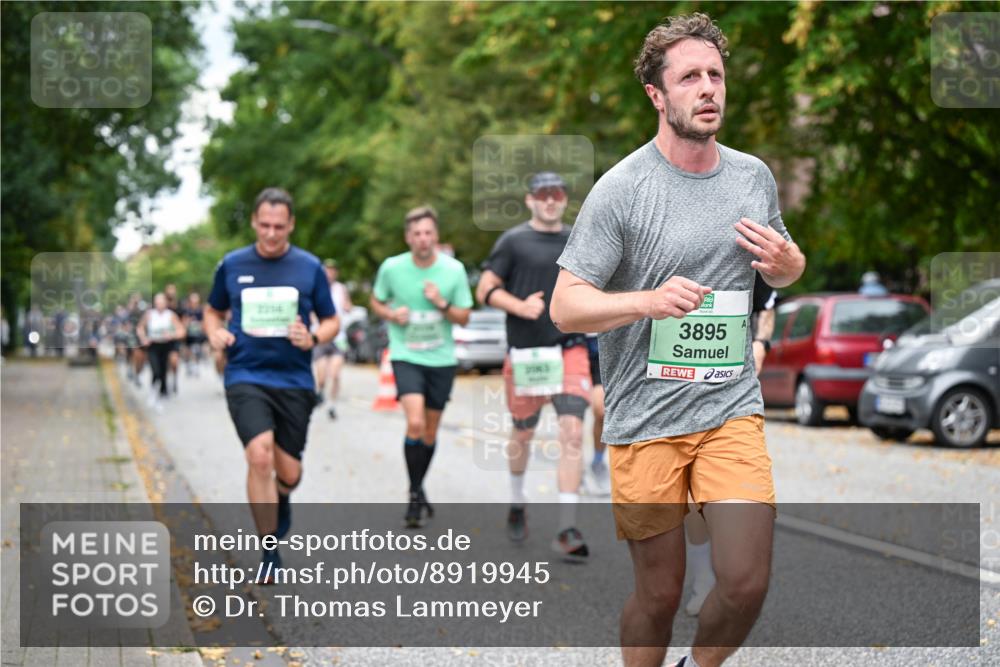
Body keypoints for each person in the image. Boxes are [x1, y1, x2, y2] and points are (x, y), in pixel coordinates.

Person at [550, 14, 806, 667]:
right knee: (660, 595)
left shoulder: (752, 178)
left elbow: (783, 265)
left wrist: (789, 265)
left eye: (715, 74)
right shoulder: (622, 190)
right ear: (657, 95)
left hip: (729, 407)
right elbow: (565, 306)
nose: (708, 87)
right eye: (689, 77)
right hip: (646, 419)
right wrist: (648, 300)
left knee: (745, 579)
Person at [204, 187, 339, 578]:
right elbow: (213, 311)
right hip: (245, 374)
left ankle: (282, 495)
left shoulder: (309, 267)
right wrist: (214, 333)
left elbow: (332, 320)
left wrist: (313, 338)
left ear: (291, 224)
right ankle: (269, 552)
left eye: (279, 226)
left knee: (290, 474)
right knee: (259, 456)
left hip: (294, 379)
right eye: (264, 225)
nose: (271, 233)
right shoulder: (232, 264)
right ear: (253, 222)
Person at [476, 172, 592, 558]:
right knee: (523, 433)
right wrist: (519, 306)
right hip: (527, 353)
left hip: (569, 348)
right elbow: (485, 289)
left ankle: (566, 527)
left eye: (556, 194)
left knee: (572, 433)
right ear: (530, 200)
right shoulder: (513, 241)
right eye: (542, 195)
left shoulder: (578, 239)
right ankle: (517, 499)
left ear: (565, 199)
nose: (550, 200)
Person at [370, 206, 473, 528]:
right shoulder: (392, 267)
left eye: (428, 232)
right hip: (406, 354)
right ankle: (414, 496)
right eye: (416, 233)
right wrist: (390, 314)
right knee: (414, 423)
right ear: (408, 238)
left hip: (441, 359)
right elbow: (375, 300)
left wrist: (441, 303)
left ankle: (418, 486)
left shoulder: (453, 270)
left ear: (436, 236)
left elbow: (464, 317)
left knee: (429, 431)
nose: (423, 239)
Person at [683, 271, 777, 618]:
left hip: (732, 387)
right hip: (674, 380)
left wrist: (761, 343)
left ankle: (732, 573)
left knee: (735, 490)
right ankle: (703, 576)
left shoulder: (746, 247)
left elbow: (768, 303)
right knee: (691, 495)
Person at [313, 258, 353, 419]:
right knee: (321, 375)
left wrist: (347, 308)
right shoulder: (316, 287)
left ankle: (332, 405)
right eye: (327, 270)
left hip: (338, 337)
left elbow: (348, 306)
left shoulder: (341, 289)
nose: (330, 273)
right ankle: (320, 391)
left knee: (335, 374)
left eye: (332, 270)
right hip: (321, 335)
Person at [136, 293, 185, 411]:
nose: (160, 305)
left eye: (162, 302)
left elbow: (181, 331)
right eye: (157, 302)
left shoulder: (171, 315)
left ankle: (162, 392)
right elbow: (140, 328)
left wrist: (172, 335)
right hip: (153, 345)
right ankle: (154, 393)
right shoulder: (149, 314)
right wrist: (144, 338)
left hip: (166, 345)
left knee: (163, 370)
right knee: (155, 370)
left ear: (166, 303)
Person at [585, 333, 610, 496]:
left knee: (601, 410)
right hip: (575, 344)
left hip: (605, 344)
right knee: (572, 417)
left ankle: (597, 461)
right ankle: (575, 470)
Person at [182, 292, 207, 376]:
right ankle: (188, 364)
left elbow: (204, 322)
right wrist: (188, 322)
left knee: (197, 349)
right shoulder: (187, 310)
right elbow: (184, 321)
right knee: (188, 349)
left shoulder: (201, 310)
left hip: (198, 334)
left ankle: (196, 365)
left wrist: (200, 325)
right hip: (188, 334)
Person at [164, 283, 182, 393]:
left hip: (174, 337)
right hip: (161, 338)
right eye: (169, 290)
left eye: (173, 290)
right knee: (164, 363)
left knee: (174, 361)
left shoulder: (179, 305)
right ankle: (164, 383)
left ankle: (174, 379)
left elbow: (183, 320)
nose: (171, 292)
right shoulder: (161, 305)